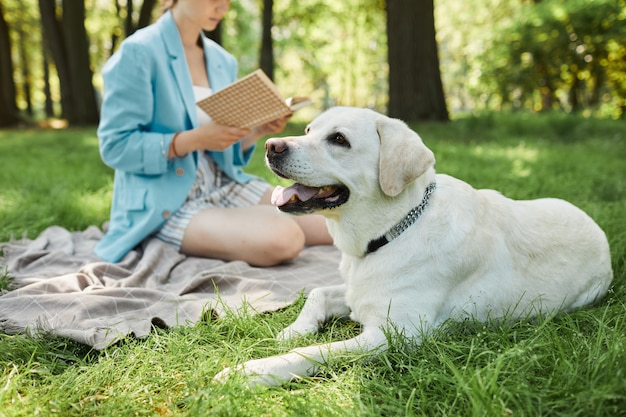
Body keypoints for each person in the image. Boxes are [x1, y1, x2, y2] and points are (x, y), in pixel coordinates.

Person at [95, 0, 332, 266]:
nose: (223, 7)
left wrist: (256, 131)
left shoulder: (221, 60)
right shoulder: (138, 52)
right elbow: (115, 146)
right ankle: (168, 235)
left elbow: (219, 146)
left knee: (332, 223)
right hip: (167, 200)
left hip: (223, 183)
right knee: (284, 237)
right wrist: (195, 139)